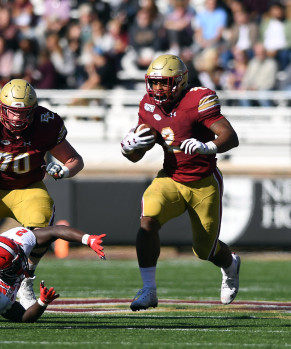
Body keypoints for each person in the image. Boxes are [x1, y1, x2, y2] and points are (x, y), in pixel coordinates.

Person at [120, 54, 241, 311]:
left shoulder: (197, 99)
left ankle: (230, 263)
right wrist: (129, 148)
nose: (157, 89)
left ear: (180, 81)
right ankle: (149, 289)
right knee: (148, 220)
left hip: (203, 181)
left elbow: (230, 137)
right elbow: (138, 153)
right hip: (171, 178)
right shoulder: (148, 105)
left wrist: (207, 146)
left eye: (164, 83)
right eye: (153, 83)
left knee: (204, 251)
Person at [0, 78, 84, 310]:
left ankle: (26, 281)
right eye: (12, 111)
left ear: (34, 111)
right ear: (0, 107)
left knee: (40, 225)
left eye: (24, 112)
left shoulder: (46, 123)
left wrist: (64, 171)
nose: (17, 118)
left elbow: (75, 160)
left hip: (28, 187)